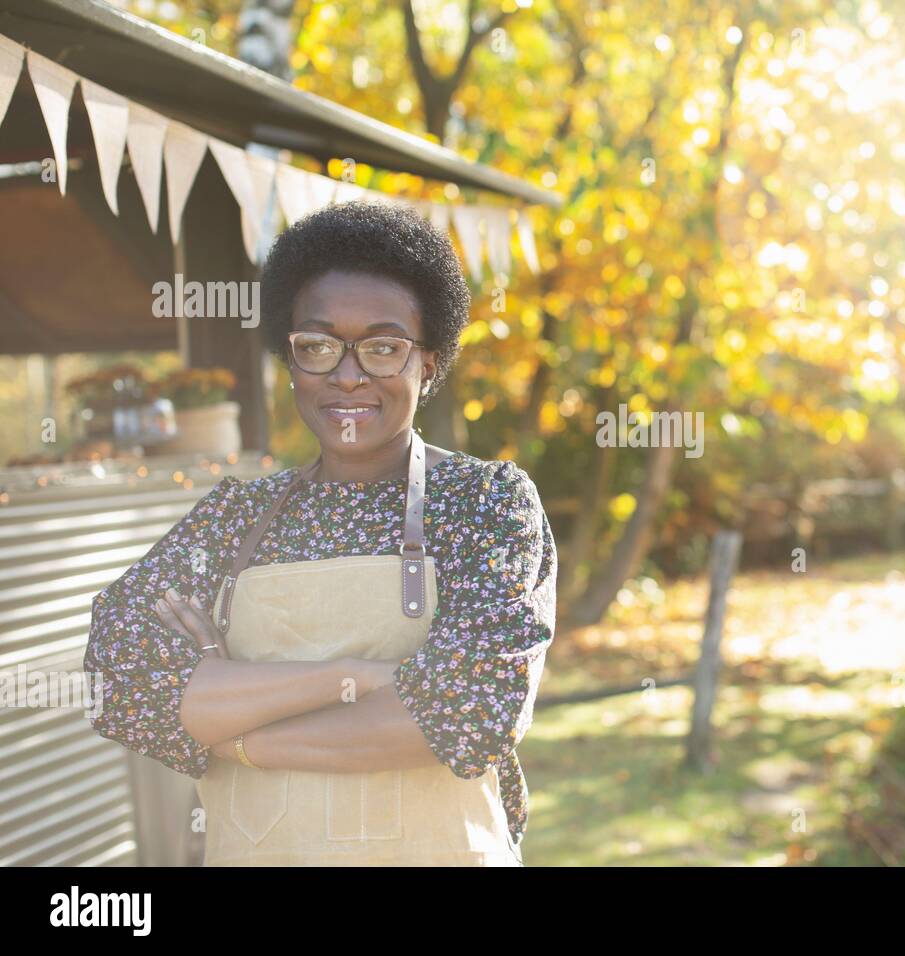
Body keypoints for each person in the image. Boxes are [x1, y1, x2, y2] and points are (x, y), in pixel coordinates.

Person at [83, 200, 555, 866]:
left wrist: (236, 734)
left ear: (430, 359)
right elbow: (119, 680)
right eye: (318, 345)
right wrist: (357, 677)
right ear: (291, 355)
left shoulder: (485, 505)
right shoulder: (235, 520)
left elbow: (470, 714)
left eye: (384, 347)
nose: (348, 373)